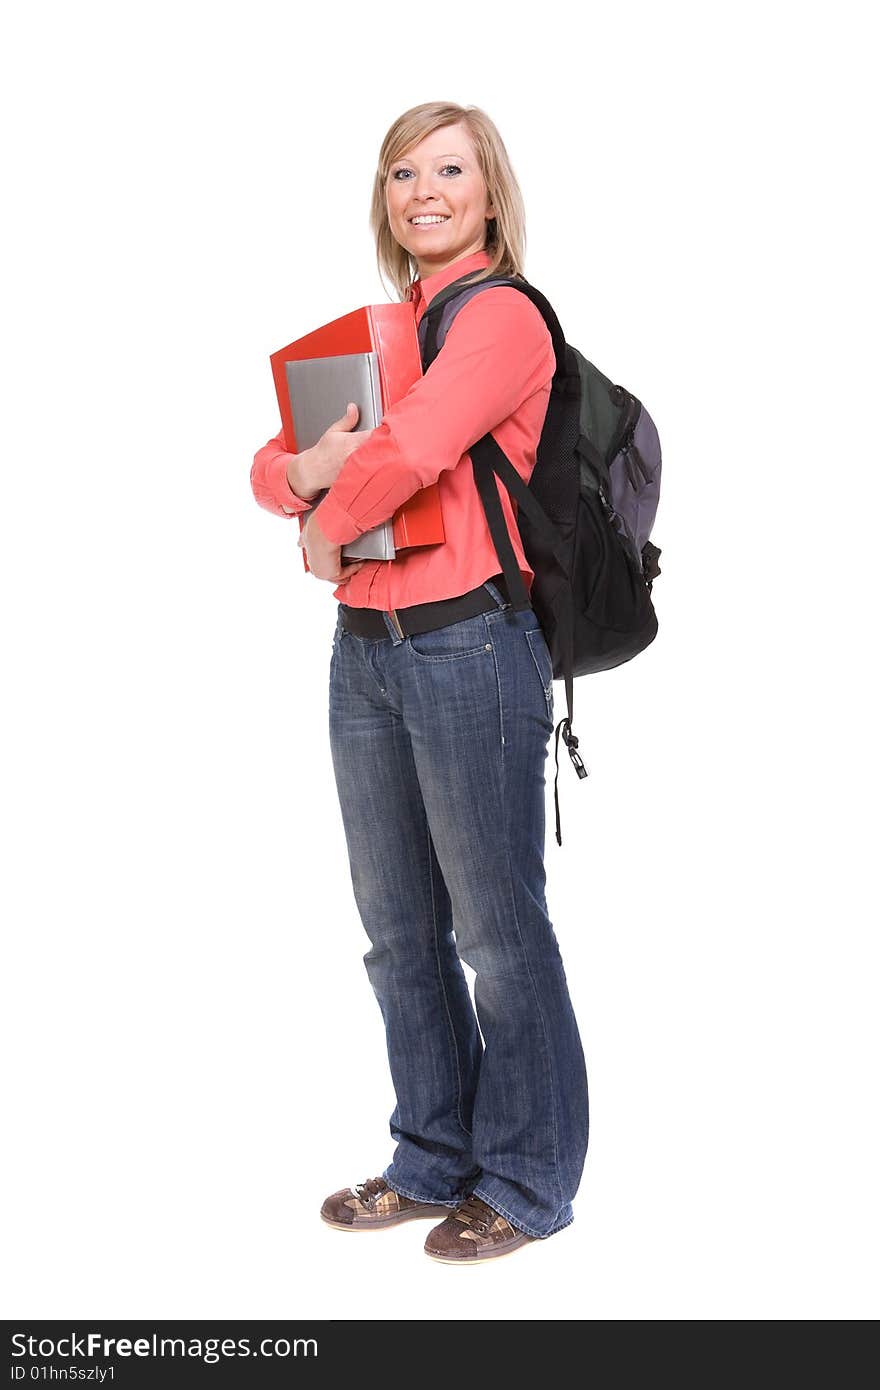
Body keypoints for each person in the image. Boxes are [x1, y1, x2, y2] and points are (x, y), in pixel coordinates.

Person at [250, 101, 589, 1265]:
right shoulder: (384, 329)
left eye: (450, 169)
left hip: (469, 649)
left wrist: (318, 522)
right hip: (366, 655)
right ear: (385, 199)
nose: (424, 190)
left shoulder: (497, 320)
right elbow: (271, 456)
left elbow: (411, 450)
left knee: (498, 931)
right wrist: (305, 478)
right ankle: (431, 1157)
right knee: (398, 931)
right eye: (403, 172)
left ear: (489, 192)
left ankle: (531, 1178)